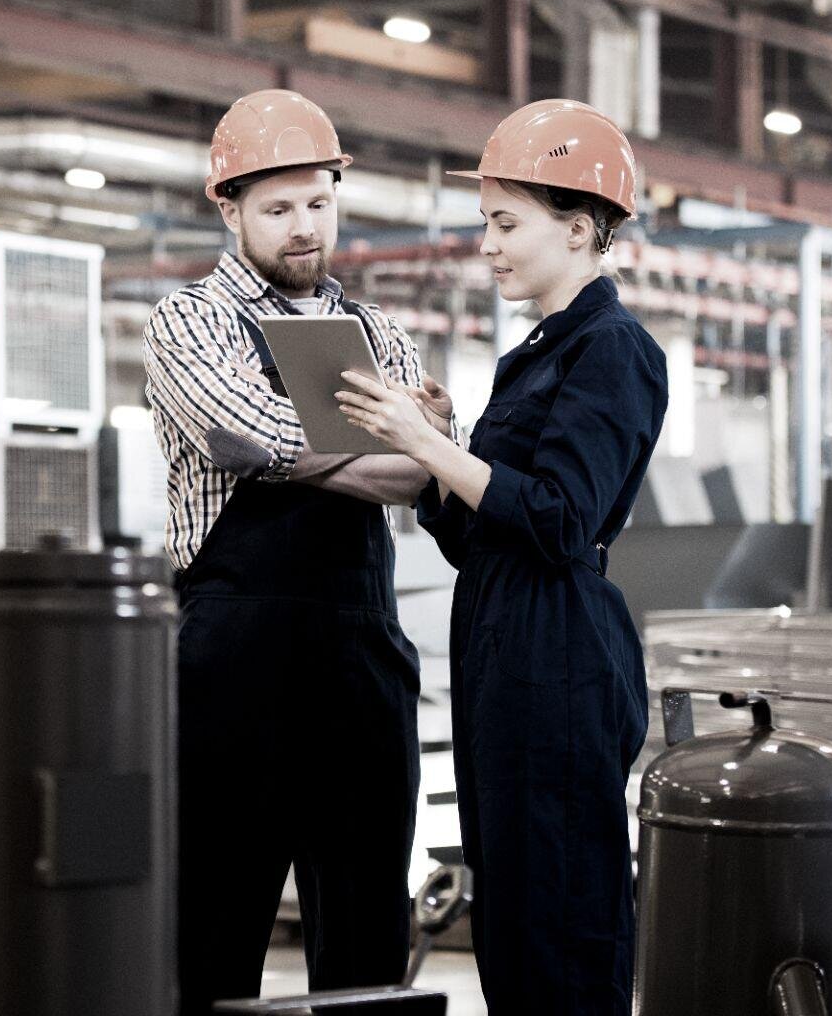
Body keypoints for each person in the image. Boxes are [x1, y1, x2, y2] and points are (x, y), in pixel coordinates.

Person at [334, 99, 668, 1014]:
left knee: (562, 914)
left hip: (560, 652)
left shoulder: (615, 352)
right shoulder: (534, 357)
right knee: (513, 917)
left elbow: (561, 521)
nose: (487, 244)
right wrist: (444, 450)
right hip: (501, 640)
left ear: (578, 228)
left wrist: (433, 447)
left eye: (504, 223)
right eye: (487, 222)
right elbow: (480, 532)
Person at [141, 88, 442, 1014]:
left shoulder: (382, 331)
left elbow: (424, 473)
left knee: (365, 937)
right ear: (229, 208)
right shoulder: (187, 322)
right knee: (211, 923)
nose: (303, 226)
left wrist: (313, 451)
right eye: (277, 209)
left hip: (362, 662)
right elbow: (238, 435)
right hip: (231, 660)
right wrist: (384, 443)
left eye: (318, 202)